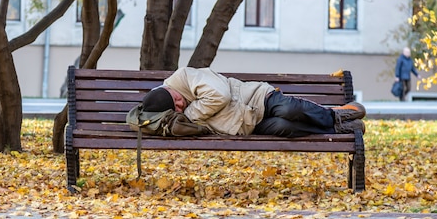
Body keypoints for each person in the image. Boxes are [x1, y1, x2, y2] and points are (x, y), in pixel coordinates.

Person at [140, 67, 366, 138]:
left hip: (256, 97)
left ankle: (335, 115)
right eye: (177, 108)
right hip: (246, 124)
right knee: (285, 127)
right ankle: (337, 129)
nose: (182, 107)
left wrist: (190, 112)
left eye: (179, 102)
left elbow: (220, 96)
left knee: (290, 109)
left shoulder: (184, 76)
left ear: (171, 90)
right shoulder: (169, 110)